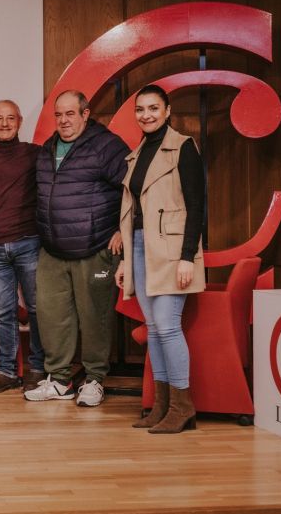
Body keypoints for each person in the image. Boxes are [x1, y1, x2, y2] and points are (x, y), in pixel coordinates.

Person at [25, 90, 129, 407]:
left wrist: (122, 230)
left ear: (85, 114)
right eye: (59, 115)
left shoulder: (107, 146)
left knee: (94, 316)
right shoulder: (47, 150)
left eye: (70, 114)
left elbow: (135, 188)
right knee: (51, 316)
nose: (64, 121)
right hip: (53, 250)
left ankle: (95, 379)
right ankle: (59, 380)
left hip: (95, 248)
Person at [116, 84, 205, 433]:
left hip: (170, 249)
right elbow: (132, 212)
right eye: (140, 109)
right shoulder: (138, 153)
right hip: (140, 246)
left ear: (167, 111)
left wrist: (187, 258)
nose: (146, 115)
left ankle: (183, 406)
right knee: (154, 329)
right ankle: (164, 404)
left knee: (168, 326)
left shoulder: (183, 148)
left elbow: (197, 206)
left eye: (154, 108)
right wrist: (126, 260)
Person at [0, 100, 46, 394]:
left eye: (10, 118)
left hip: (28, 242)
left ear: (19, 121)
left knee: (36, 308)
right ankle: (7, 371)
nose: (5, 124)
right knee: (3, 312)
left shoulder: (35, 154)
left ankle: (38, 368)